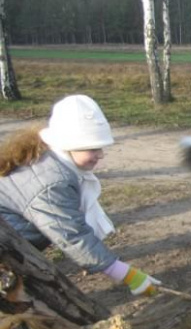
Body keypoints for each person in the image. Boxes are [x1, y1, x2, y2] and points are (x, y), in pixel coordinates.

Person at [0, 94, 160, 296]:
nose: (100, 154)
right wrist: (128, 274)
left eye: (100, 147)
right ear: (70, 145)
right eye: (93, 148)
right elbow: (72, 235)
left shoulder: (50, 159)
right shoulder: (51, 183)